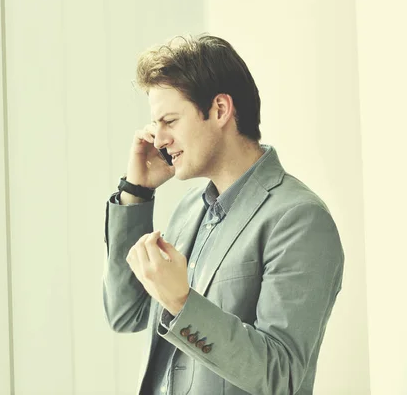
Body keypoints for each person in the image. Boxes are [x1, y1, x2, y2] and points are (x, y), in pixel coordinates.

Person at [102, 34, 344, 395]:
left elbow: (282, 376)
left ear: (219, 110)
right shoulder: (188, 210)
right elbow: (126, 313)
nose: (158, 139)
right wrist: (137, 193)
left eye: (169, 120)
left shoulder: (298, 219)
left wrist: (181, 302)